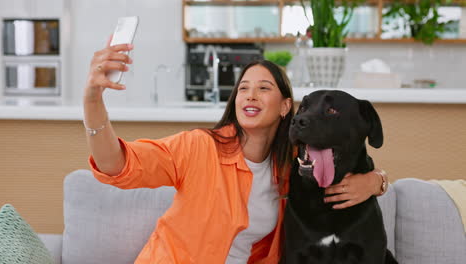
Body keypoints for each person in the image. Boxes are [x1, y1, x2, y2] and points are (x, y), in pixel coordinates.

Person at [83, 38, 388, 263]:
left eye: (264, 88)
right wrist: (93, 101)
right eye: (243, 88)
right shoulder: (198, 147)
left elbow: (339, 174)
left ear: (285, 107)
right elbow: (116, 164)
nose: (250, 95)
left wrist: (376, 181)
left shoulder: (290, 169)